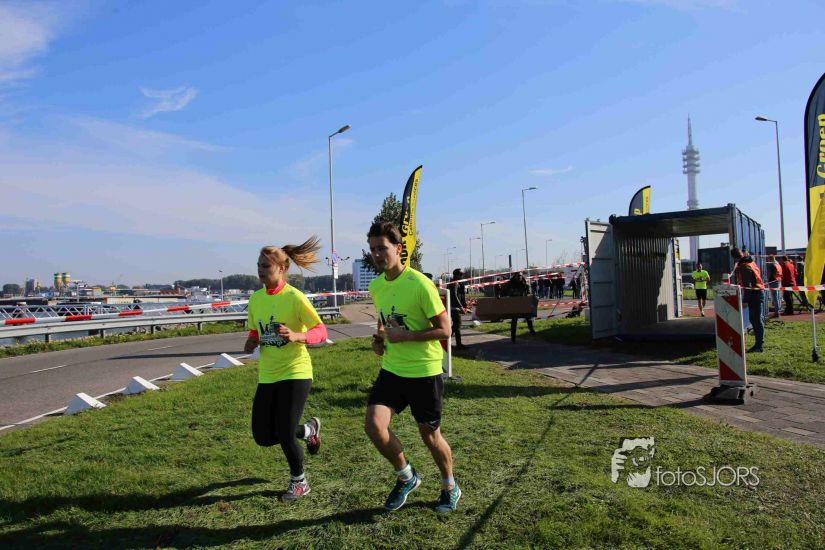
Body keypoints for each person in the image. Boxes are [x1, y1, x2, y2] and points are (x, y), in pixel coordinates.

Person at [364, 221, 461, 513]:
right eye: (372, 249)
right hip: (393, 370)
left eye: (382, 248)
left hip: (424, 372)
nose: (377, 254)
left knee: (430, 436)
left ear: (398, 248)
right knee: (374, 426)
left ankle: (450, 486)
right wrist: (379, 340)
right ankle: (407, 476)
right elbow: (384, 321)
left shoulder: (419, 284)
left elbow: (445, 329)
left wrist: (406, 336)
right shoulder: (376, 286)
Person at [244, 236, 329, 501]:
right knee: (262, 435)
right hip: (268, 374)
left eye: (266, 266)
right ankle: (308, 431)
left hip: (295, 371)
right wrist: (251, 341)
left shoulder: (294, 297)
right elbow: (254, 329)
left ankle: (299, 482)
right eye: (259, 265)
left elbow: (321, 331)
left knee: (283, 431)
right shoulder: (256, 299)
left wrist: (296, 335)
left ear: (281, 268)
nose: (260, 270)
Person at [731, 247, 765, 353]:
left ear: (734, 258)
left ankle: (759, 345)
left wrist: (745, 300)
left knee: (756, 320)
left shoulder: (744, 266)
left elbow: (747, 285)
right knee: (753, 319)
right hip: (756, 293)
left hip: (754, 294)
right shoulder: (750, 262)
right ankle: (758, 344)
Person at [501, 271, 537, 343]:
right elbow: (503, 291)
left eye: (520, 276)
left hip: (523, 303)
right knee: (514, 320)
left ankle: (532, 331)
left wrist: (528, 293)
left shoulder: (524, 283)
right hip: (514, 304)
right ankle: (513, 337)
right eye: (518, 276)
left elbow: (529, 292)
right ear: (515, 277)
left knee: (528, 318)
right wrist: (501, 293)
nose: (519, 277)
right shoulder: (510, 284)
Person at [448, 268, 468, 350]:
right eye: (460, 275)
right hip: (454, 308)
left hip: (454, 307)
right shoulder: (455, 283)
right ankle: (457, 344)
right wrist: (461, 307)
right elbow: (454, 295)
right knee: (457, 326)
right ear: (456, 275)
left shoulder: (454, 282)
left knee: (455, 326)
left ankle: (449, 341)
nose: (461, 276)